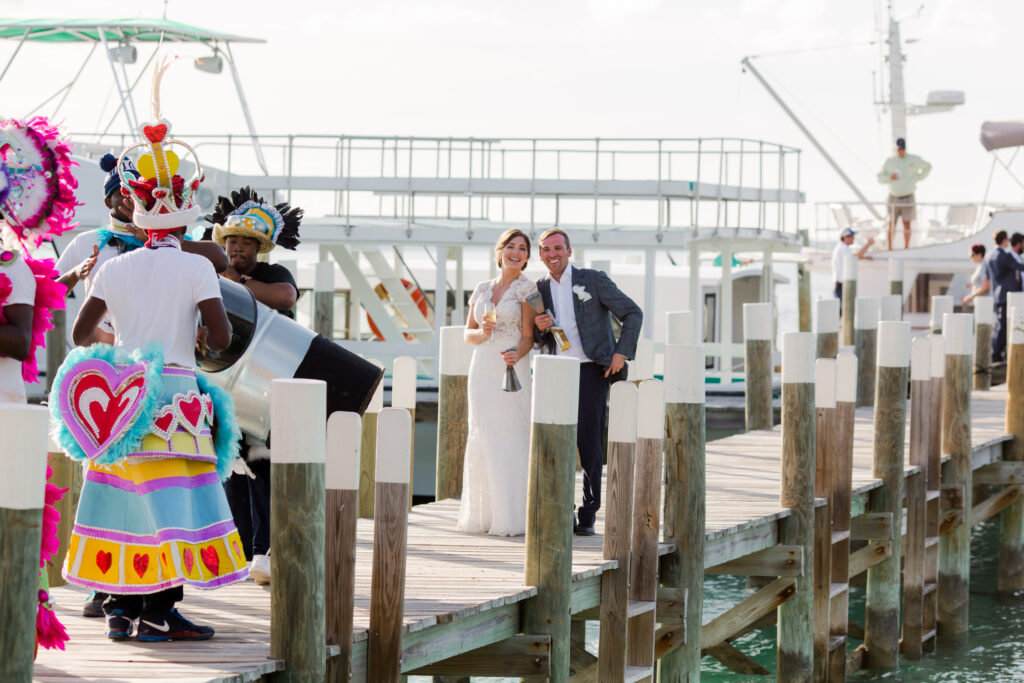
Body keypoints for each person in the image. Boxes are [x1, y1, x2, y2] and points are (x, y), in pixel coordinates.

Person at [51, 78, 246, 642]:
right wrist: (201, 335)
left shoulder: (113, 268)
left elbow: (82, 335)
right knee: (172, 506)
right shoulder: (196, 266)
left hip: (122, 398)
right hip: (177, 398)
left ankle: (120, 611)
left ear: (138, 219)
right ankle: (160, 614)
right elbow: (221, 334)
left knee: (127, 505)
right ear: (182, 220)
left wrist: (124, 342)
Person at [203, 186, 303, 583]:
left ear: (259, 247)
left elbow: (285, 297)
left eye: (245, 242)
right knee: (231, 463)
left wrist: (235, 282)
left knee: (262, 464)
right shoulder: (211, 276)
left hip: (267, 385)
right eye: (231, 240)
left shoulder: (272, 275)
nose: (237, 247)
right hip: (225, 384)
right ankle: (241, 549)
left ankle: (265, 549)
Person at [533, 228, 642, 536]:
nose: (552, 254)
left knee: (589, 443)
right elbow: (541, 340)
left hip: (590, 370)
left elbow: (632, 313)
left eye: (557, 248)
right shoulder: (538, 288)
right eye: (546, 249)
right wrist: (539, 327)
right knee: (555, 442)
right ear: (540, 255)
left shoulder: (593, 280)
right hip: (554, 371)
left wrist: (621, 353)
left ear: (569, 251)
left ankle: (588, 514)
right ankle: (562, 510)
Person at [458, 228, 538, 536]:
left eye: (522, 249)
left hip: (511, 365)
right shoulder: (482, 289)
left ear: (527, 257)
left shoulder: (527, 289)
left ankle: (511, 516)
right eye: (511, 246)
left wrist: (516, 354)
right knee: (483, 433)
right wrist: (482, 333)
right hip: (482, 366)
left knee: (509, 434)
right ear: (500, 251)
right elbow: (468, 334)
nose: (516, 252)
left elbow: (529, 337)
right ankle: (485, 515)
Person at [877, 137, 931, 250]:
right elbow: (880, 177)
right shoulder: (889, 161)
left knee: (907, 224)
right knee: (891, 224)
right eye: (899, 149)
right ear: (895, 149)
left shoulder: (914, 159)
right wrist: (890, 177)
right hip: (893, 197)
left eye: (903, 149)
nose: (901, 151)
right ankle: (890, 248)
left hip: (908, 196)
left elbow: (928, 167)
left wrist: (918, 177)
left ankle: (906, 248)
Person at [986, 230, 1024, 363]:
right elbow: (1019, 266)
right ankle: (997, 356)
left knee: (1000, 326)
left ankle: (997, 355)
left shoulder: (990, 256)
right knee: (1003, 327)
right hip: (1007, 295)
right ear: (1004, 240)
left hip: (997, 295)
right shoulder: (1004, 255)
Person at [831, 228, 874, 314]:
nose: (853, 238)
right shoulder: (843, 248)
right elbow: (854, 257)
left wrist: (865, 258)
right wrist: (868, 244)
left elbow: (853, 257)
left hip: (841, 283)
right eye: (851, 236)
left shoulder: (842, 247)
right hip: (841, 283)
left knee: (843, 309)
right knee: (844, 309)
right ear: (845, 237)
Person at [962, 243, 990, 308]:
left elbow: (986, 286)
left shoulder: (983, 266)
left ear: (979, 254)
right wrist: (974, 288)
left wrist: (970, 297)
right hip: (980, 302)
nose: (970, 257)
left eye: (972, 255)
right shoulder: (980, 266)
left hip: (983, 303)